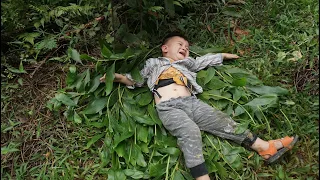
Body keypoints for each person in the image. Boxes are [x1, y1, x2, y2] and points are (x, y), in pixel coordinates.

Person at [100, 32, 298, 180]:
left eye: (187, 46)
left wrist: (222, 56)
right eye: (180, 44)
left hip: (192, 102)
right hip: (169, 107)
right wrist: (117, 77)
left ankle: (264, 147)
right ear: (165, 48)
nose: (185, 48)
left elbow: (204, 61)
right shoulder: (154, 64)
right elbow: (137, 79)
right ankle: (201, 177)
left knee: (225, 122)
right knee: (190, 131)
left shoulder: (188, 64)